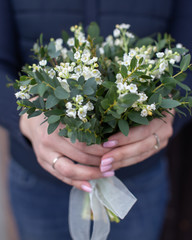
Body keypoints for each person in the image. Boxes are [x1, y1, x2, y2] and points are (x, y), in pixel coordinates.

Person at [0, 0, 191, 239]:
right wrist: (24, 116)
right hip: (38, 179)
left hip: (137, 179)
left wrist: (168, 111)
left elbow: (187, 58)